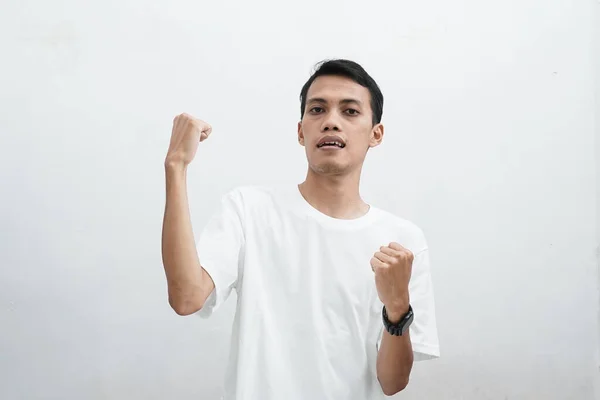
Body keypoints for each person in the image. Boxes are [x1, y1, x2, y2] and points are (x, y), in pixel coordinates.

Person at [161, 59, 440, 400]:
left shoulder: (402, 242)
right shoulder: (249, 210)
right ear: (300, 131)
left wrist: (397, 308)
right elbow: (187, 298)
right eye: (318, 110)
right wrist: (176, 166)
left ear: (375, 134)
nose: (331, 122)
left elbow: (392, 382)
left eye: (350, 112)